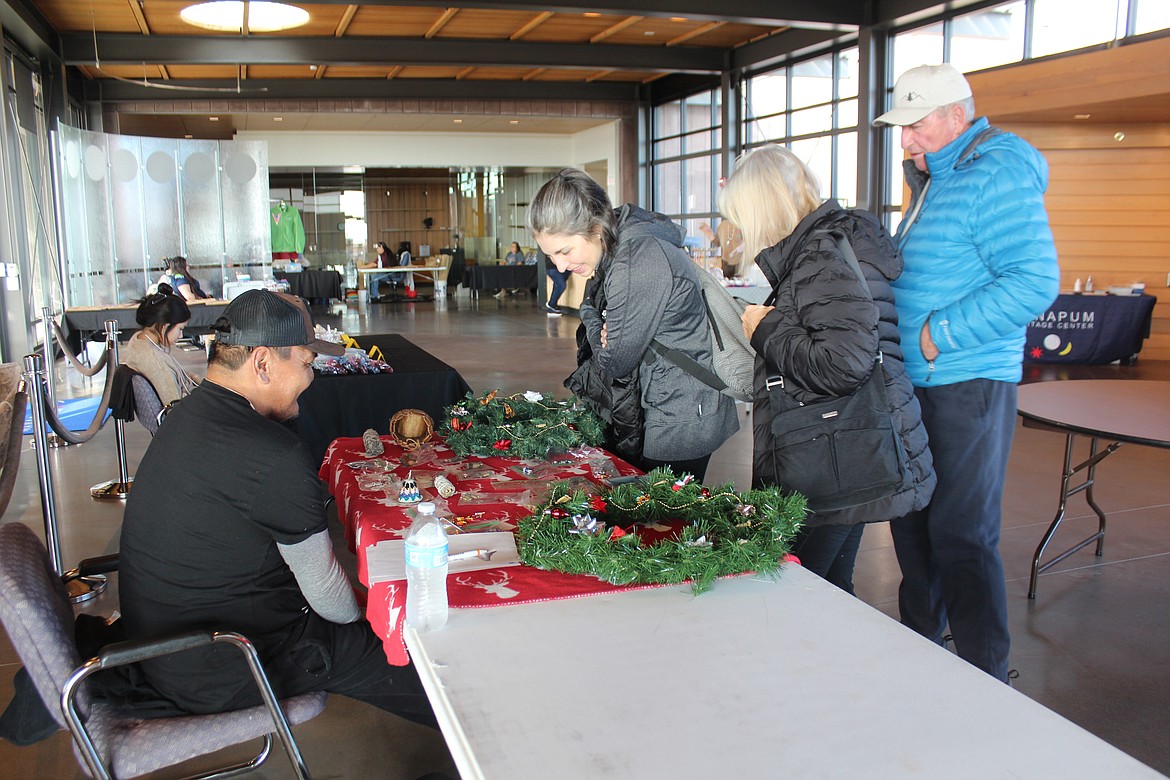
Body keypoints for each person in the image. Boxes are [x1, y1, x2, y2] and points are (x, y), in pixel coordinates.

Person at [117, 290, 437, 727]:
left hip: (165, 649)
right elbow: (330, 600)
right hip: (229, 661)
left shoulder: (188, 415)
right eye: (306, 362)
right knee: (411, 657)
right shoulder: (270, 454)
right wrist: (383, 611)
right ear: (263, 362)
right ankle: (484, 738)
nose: (311, 377)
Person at [874, 63, 1060, 681]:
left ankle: (985, 670)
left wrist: (934, 334)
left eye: (917, 125)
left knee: (961, 533)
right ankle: (920, 654)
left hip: (968, 383)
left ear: (958, 115)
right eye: (901, 128)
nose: (906, 140)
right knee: (915, 526)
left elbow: (1034, 281)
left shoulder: (997, 171)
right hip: (920, 386)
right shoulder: (937, 177)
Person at [718, 145, 935, 594]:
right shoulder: (831, 244)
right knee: (832, 588)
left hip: (835, 453)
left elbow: (842, 363)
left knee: (799, 588)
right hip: (852, 448)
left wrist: (766, 328)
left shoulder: (820, 255)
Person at [528, 168, 738, 481]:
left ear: (596, 228)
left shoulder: (636, 262)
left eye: (565, 251)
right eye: (550, 256)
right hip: (669, 406)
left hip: (679, 416)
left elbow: (615, 360)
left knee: (665, 522)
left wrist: (591, 314)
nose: (560, 266)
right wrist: (599, 319)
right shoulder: (621, 252)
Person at [121, 283, 198, 405]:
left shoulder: (138, 340)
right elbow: (174, 408)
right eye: (180, 329)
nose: (181, 336)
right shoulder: (157, 363)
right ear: (164, 327)